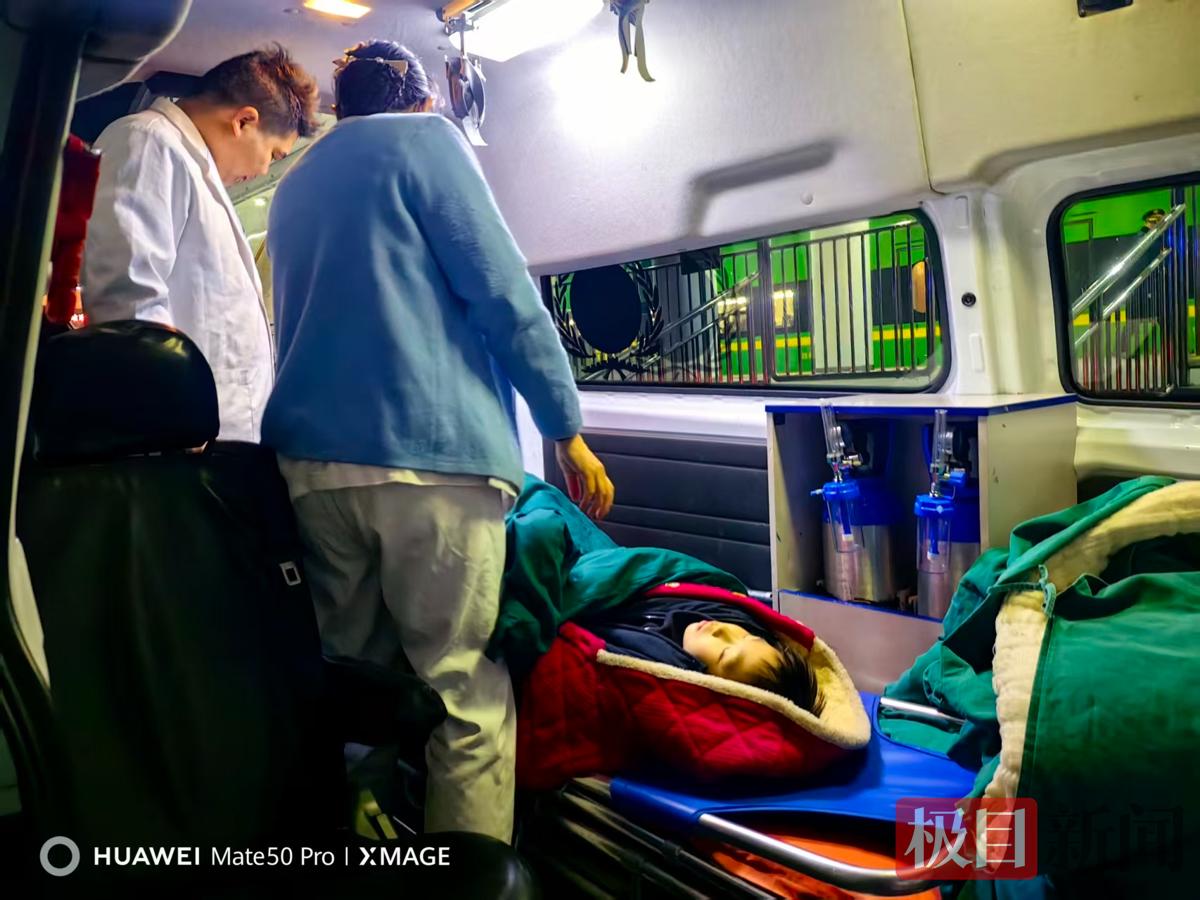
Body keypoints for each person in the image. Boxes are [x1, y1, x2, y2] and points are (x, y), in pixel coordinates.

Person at [262, 40, 614, 844]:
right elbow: (503, 295)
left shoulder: (294, 182)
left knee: (357, 680)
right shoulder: (426, 141)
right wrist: (563, 426)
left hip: (311, 468)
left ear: (340, 108)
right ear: (422, 101)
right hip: (430, 460)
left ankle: (363, 837)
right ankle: (470, 877)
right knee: (463, 690)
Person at [83, 46, 321, 442]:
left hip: (211, 433)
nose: (265, 168)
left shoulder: (189, 165)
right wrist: (168, 421)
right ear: (244, 121)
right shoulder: (148, 142)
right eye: (273, 153)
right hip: (177, 434)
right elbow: (127, 294)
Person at [581, 596, 824, 714]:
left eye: (725, 654)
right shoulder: (708, 609)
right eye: (747, 636)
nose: (723, 630)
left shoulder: (647, 662)